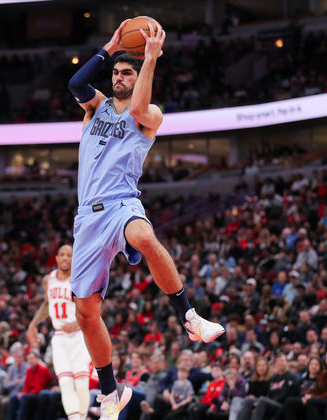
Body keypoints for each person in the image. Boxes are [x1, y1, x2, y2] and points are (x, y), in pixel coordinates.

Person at [67, 18, 224, 419]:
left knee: (146, 238)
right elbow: (75, 84)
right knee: (86, 313)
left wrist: (150, 58)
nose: (119, 77)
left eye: (127, 72)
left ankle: (189, 317)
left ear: (138, 77)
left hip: (122, 203)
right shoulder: (94, 106)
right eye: (116, 72)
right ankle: (110, 392)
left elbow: (138, 105)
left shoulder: (149, 114)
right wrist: (110, 46)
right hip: (87, 218)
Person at [27, 244, 91, 420]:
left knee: (81, 382)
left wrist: (78, 322)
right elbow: (48, 305)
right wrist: (33, 324)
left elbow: (93, 306)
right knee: (64, 381)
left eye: (69, 255)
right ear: (56, 258)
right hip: (60, 336)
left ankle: (82, 417)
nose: (65, 258)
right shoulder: (49, 280)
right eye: (61, 255)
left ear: (74, 258)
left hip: (78, 334)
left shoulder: (80, 278)